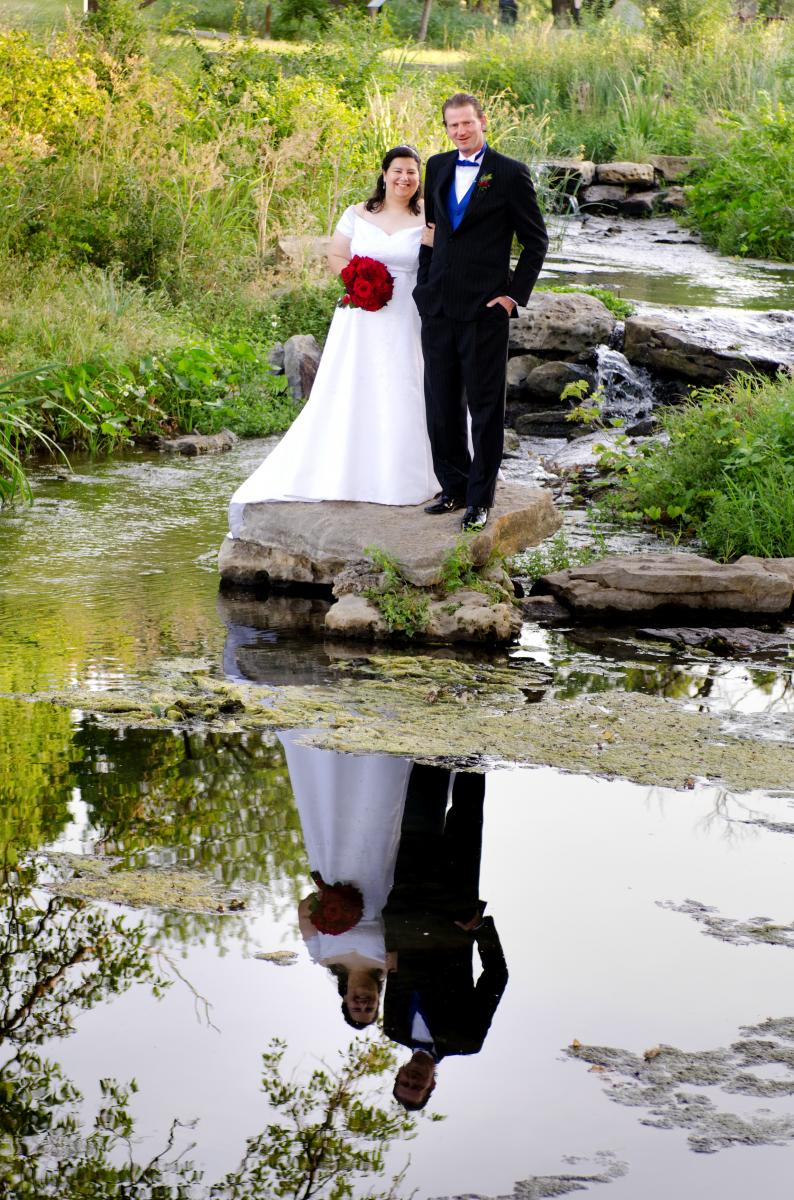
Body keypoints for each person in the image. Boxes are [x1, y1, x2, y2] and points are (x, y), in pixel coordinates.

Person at [228, 147, 439, 533]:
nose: (404, 179)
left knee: (402, 386)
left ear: (418, 177)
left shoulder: (429, 215)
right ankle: (347, 471)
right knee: (353, 387)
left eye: (411, 172)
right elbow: (338, 254)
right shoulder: (359, 213)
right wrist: (357, 281)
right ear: (384, 173)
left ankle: (403, 477)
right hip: (360, 316)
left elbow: (440, 259)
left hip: (407, 313)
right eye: (397, 171)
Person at [414, 92, 549, 533]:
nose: (459, 132)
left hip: (484, 310)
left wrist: (512, 297)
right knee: (441, 403)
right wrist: (424, 284)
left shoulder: (510, 174)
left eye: (466, 124)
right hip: (438, 307)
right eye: (452, 126)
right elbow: (432, 232)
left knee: (486, 408)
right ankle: (452, 487)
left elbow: (536, 241)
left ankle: (479, 499)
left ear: (482, 121)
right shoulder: (436, 166)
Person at [382, 765, 508, 1110]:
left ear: (399, 1074)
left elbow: (392, 967)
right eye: (417, 1087)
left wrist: (390, 922)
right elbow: (496, 977)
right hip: (454, 910)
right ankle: (474, 740)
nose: (413, 1080)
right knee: (466, 813)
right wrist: (481, 931)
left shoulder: (392, 1027)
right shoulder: (467, 1040)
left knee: (420, 810)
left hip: (408, 899)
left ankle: (430, 744)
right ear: (431, 1085)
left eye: (404, 1082)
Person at [279, 731, 413, 1029]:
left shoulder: (322, 956)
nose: (362, 1003)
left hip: (335, 872)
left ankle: (331, 759)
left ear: (345, 1000)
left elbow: (304, 911)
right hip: (379, 878)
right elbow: (403, 925)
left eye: (356, 1008)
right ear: (379, 999)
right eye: (369, 1008)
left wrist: (328, 902)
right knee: (378, 810)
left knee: (336, 811)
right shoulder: (389, 965)